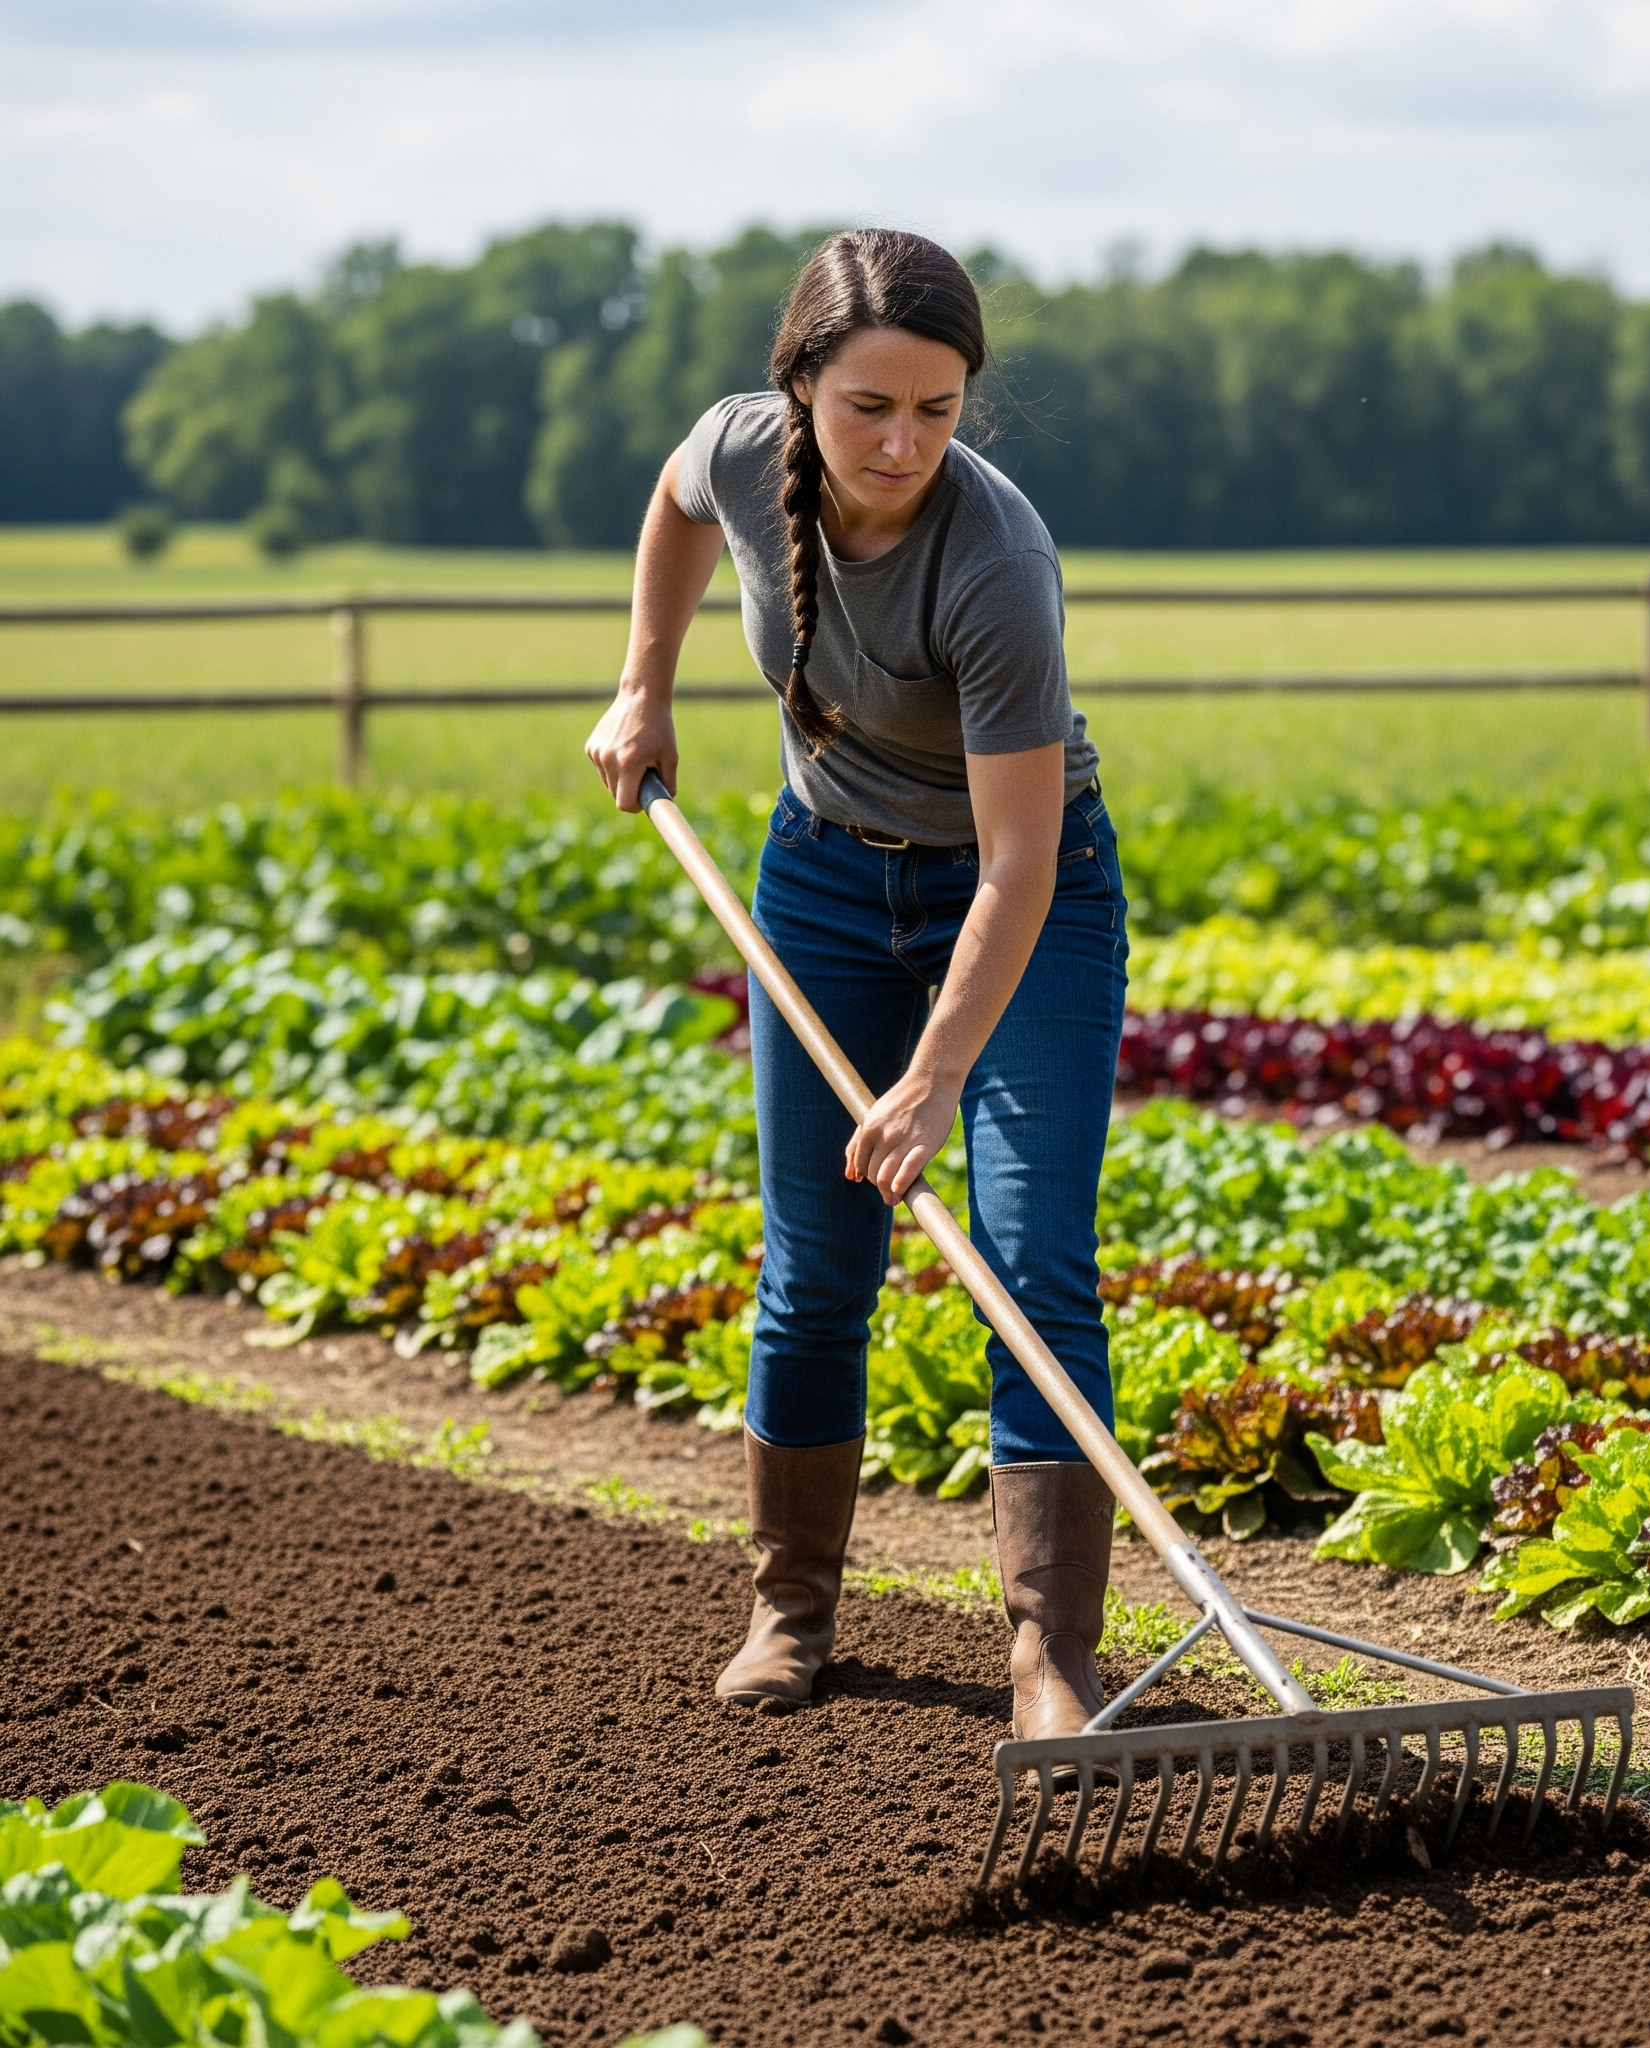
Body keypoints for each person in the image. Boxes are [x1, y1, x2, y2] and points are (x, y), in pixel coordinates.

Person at [585, 229, 1127, 1741]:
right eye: (867, 406)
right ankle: (792, 1608)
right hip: (822, 878)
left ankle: (1051, 1659)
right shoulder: (744, 446)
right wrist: (646, 681)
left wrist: (935, 1074)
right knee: (815, 1262)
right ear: (800, 388)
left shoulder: (998, 563)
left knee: (1033, 1262)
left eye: (937, 410)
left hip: (1021, 900)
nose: (901, 443)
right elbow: (681, 498)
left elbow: (1018, 868)